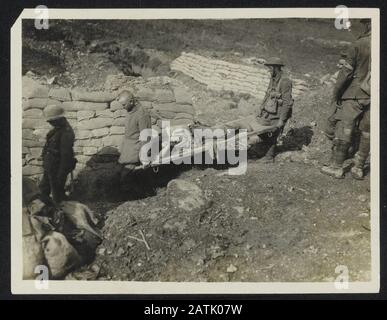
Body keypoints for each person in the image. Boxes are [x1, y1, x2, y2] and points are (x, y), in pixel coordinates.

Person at [321, 19, 371, 179]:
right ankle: (358, 167)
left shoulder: (359, 44)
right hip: (374, 97)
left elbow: (346, 73)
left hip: (355, 93)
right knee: (367, 132)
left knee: (345, 128)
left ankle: (336, 167)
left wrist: (337, 92)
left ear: (369, 25)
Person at [256, 57, 294, 162]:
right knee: (261, 129)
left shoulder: (285, 81)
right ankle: (265, 150)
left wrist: (282, 119)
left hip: (279, 112)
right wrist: (261, 107)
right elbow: (267, 93)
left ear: (275, 68)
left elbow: (287, 102)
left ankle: (269, 157)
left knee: (272, 133)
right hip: (270, 110)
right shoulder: (272, 79)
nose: (268, 70)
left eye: (270, 68)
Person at [40, 105, 77, 205]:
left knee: (58, 197)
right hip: (50, 167)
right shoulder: (56, 130)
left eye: (51, 121)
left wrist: (61, 175)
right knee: (43, 190)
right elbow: (48, 146)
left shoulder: (66, 132)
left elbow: (66, 156)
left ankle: (60, 216)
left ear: (58, 119)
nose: (49, 123)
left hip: (57, 169)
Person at [117, 90, 152, 170]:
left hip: (135, 148)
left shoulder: (142, 114)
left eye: (124, 105)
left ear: (131, 102)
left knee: (127, 175)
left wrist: (145, 155)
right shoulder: (130, 110)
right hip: (127, 146)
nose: (123, 107)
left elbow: (146, 136)